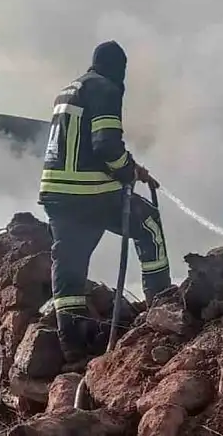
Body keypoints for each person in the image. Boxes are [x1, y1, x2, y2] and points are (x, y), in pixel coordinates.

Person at [38, 40, 172, 365]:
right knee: (149, 224)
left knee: (69, 265)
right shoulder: (106, 89)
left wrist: (132, 169)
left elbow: (85, 144)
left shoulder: (69, 90)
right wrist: (127, 171)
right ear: (118, 68)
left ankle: (73, 345)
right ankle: (163, 307)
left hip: (57, 194)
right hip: (90, 194)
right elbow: (106, 145)